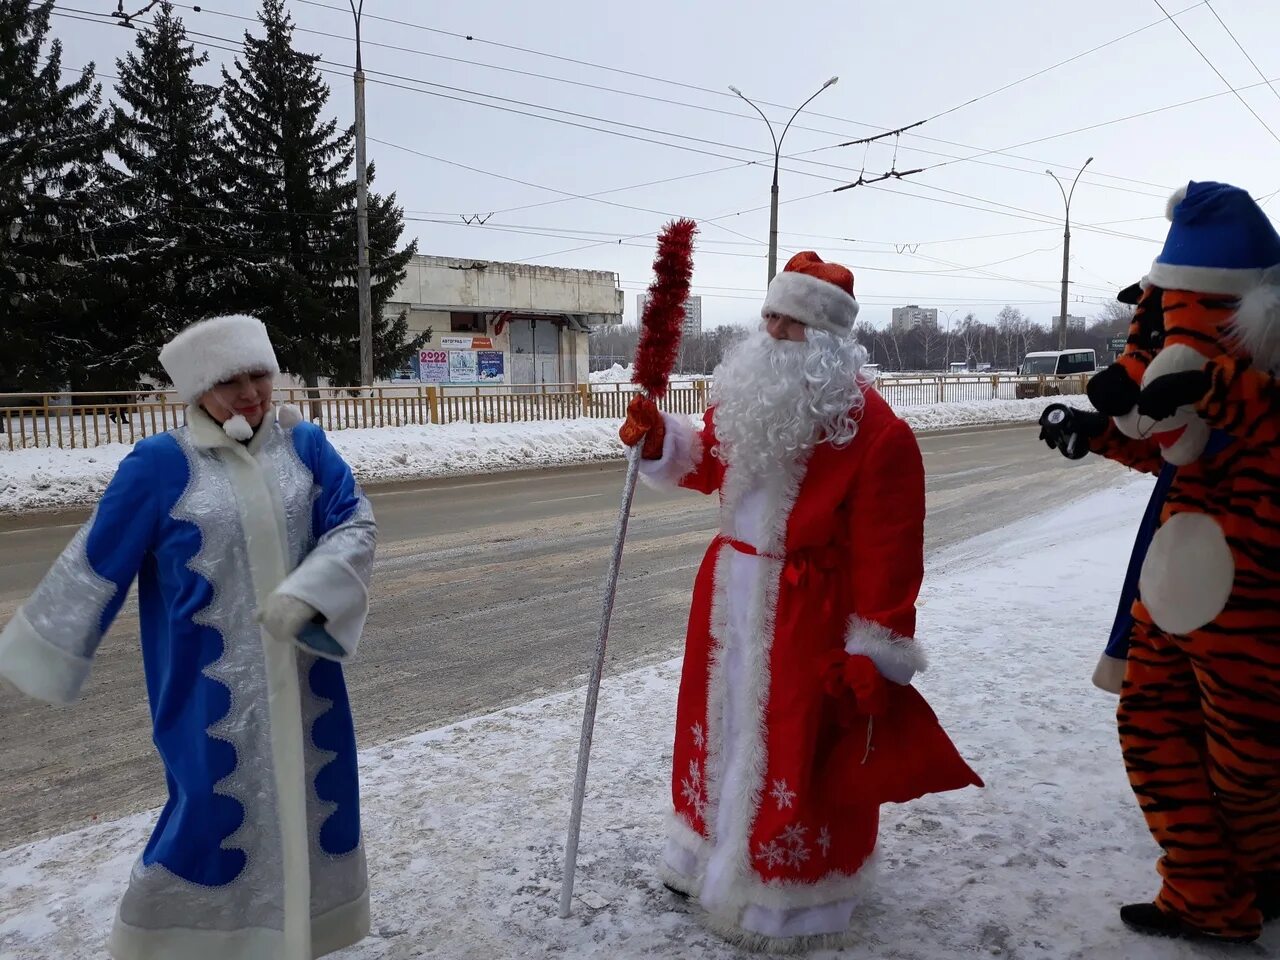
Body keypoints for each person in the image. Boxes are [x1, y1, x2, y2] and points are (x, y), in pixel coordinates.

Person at [619, 251, 982, 951]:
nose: (772, 331)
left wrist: (876, 650)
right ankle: (700, 853)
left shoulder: (878, 434)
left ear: (826, 341)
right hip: (728, 599)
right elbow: (710, 460)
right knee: (715, 727)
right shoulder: (748, 399)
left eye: (790, 322)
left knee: (793, 745)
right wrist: (661, 438)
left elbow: (891, 556)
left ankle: (789, 896)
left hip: (807, 614)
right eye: (770, 316)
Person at [0, 314, 377, 960]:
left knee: (315, 803)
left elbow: (355, 526)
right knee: (210, 814)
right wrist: (46, 650)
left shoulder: (305, 446)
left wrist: (309, 594)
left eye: (259, 374)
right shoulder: (160, 466)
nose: (252, 394)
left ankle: (297, 937)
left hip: (307, 682)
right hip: (205, 696)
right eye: (231, 382)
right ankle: (170, 943)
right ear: (199, 388)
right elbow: (95, 561)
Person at [1038, 181, 1280, 944]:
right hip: (1172, 601)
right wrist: (1099, 432)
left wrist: (1219, 389)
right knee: (1150, 735)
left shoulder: (1257, 392)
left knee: (1248, 772)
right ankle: (1201, 889)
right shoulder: (1194, 379)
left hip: (1254, 617)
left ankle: (1263, 875)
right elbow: (1168, 445)